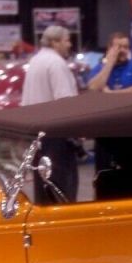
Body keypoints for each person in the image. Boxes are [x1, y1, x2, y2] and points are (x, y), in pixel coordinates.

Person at [22, 24, 80, 203]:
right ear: (55, 42)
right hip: (57, 138)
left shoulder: (36, 61)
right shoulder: (56, 63)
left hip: (38, 137)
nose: (70, 44)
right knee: (62, 193)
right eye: (67, 40)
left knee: (43, 194)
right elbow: (65, 103)